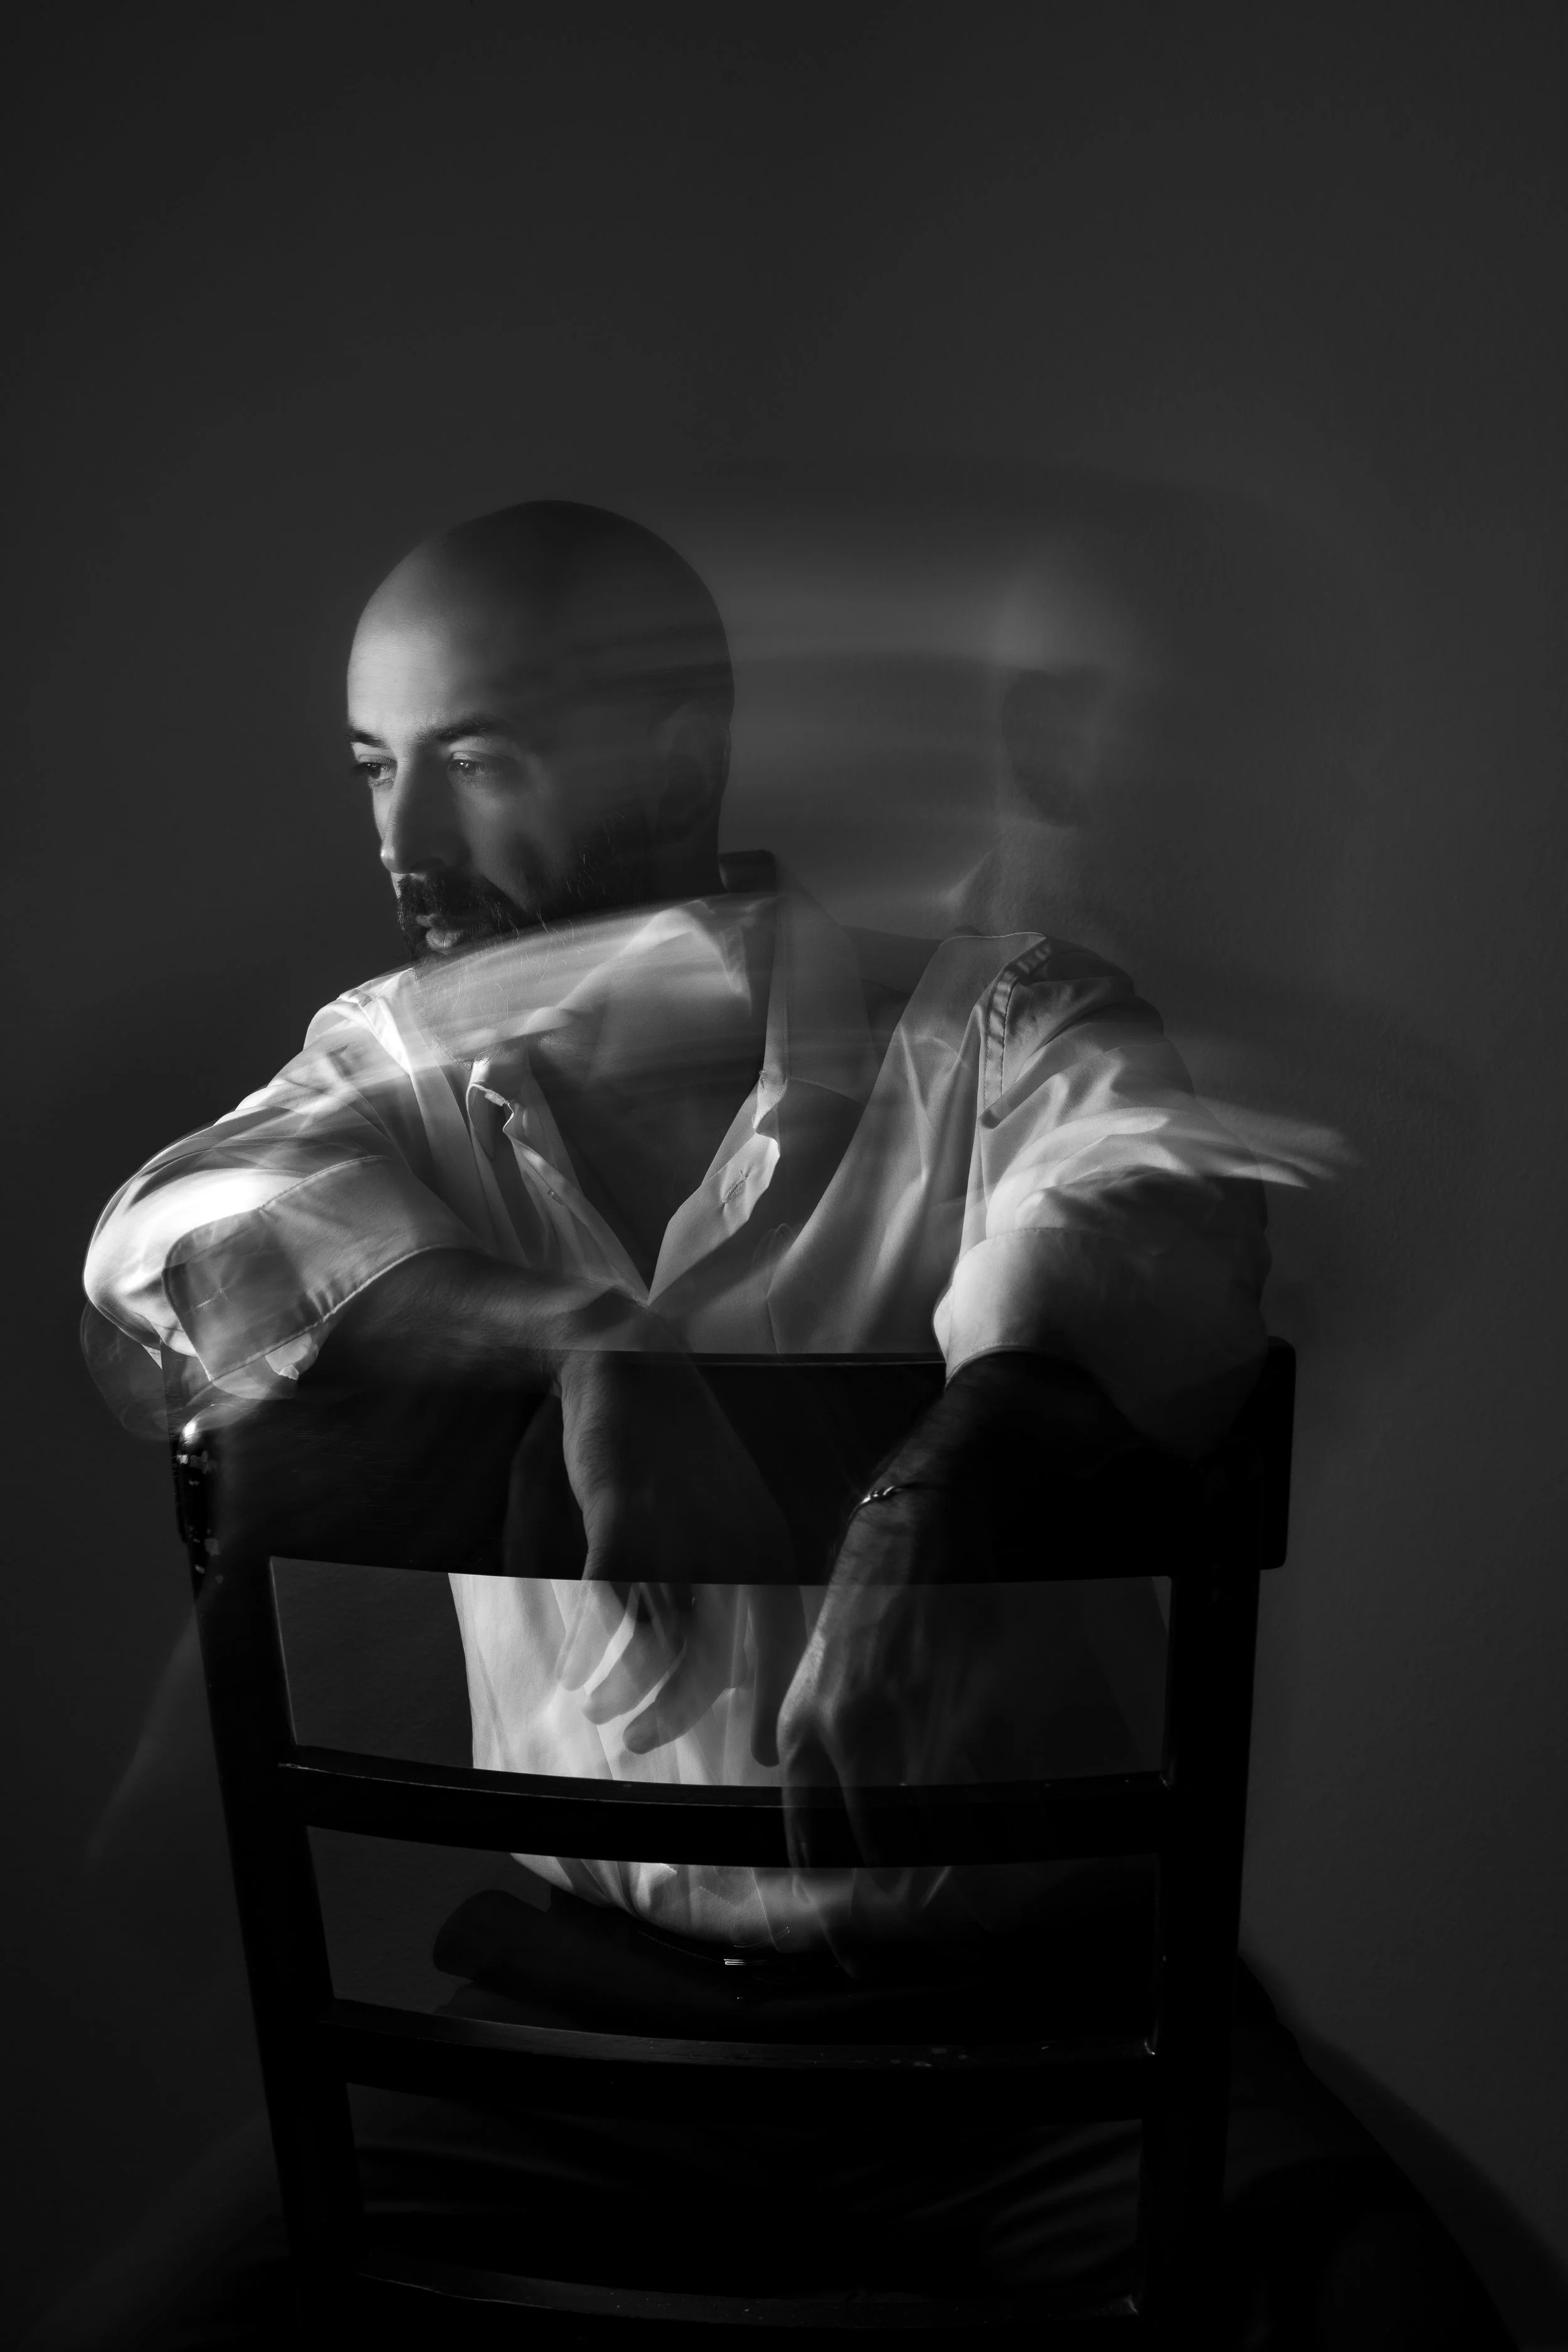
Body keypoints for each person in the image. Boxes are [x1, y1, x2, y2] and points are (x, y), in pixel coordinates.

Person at [67, 502, 1512, 2347]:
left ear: (675, 751)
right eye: (374, 767)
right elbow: (166, 1246)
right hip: (571, 2047)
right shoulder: (386, 1073)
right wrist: (576, 1336)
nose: (402, 842)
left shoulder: (1002, 1023)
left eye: (477, 760)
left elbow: (1150, 1211)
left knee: (1405, 2316)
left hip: (1046, 2047)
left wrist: (945, 1477)